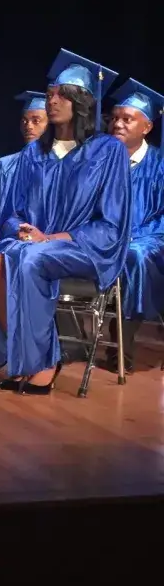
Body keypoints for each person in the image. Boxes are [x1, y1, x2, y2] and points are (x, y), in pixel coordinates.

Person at [0, 50, 132, 395]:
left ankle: (43, 362)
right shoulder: (34, 154)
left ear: (83, 101)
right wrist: (22, 230)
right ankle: (27, 356)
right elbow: (11, 212)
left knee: (30, 258)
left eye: (62, 95)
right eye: (49, 95)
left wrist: (53, 238)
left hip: (87, 248)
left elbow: (112, 222)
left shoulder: (108, 151)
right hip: (37, 243)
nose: (52, 101)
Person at [106, 78, 164, 372]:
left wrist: (133, 236)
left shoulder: (160, 165)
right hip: (106, 238)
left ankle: (122, 348)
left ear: (147, 127)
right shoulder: (100, 162)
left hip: (152, 240)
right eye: (115, 118)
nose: (118, 124)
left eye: (127, 119)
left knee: (135, 256)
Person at [0, 93, 48, 254]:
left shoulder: (57, 166)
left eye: (36, 121)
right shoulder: (3, 165)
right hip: (2, 242)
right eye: (24, 120)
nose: (28, 126)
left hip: (43, 242)